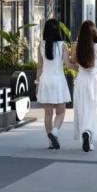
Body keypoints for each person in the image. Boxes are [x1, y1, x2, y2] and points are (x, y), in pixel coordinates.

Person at [71, 20, 97, 152]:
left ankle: (85, 132)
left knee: (82, 109)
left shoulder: (76, 46)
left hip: (81, 81)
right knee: (95, 110)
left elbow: (73, 64)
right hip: (95, 81)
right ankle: (89, 133)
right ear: (94, 32)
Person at [36, 19, 71, 150]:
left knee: (48, 114)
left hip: (45, 80)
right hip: (58, 81)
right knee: (61, 112)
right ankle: (55, 132)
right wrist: (80, 67)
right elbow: (68, 64)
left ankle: (50, 142)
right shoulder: (63, 46)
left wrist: (37, 83)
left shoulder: (41, 45)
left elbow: (39, 66)